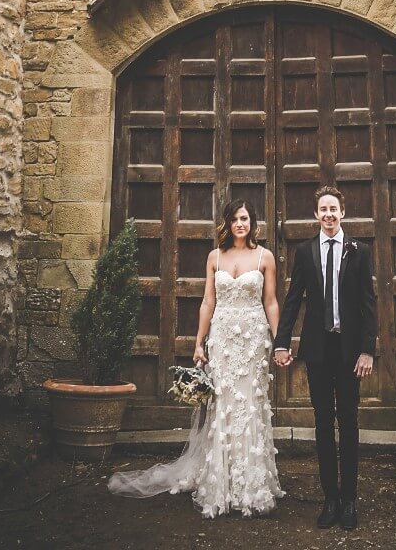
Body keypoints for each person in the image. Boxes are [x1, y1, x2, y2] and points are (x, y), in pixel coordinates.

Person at [108, 198, 283, 518]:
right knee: (223, 408)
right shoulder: (215, 256)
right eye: (234, 219)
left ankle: (250, 486)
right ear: (228, 224)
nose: (240, 224)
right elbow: (207, 302)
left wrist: (280, 341)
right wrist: (199, 342)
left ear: (252, 222)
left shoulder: (264, 257)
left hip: (253, 340)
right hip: (222, 338)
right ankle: (222, 482)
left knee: (248, 405)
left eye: (244, 218)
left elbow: (270, 302)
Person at [273, 184, 377, 530]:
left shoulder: (359, 251)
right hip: (318, 350)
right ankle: (329, 499)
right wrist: (281, 343)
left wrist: (367, 350)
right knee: (321, 423)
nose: (329, 215)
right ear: (316, 215)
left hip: (349, 352)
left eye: (334, 209)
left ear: (342, 213)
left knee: (348, 422)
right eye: (323, 210)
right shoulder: (305, 252)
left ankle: (349, 500)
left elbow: (368, 304)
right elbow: (292, 300)